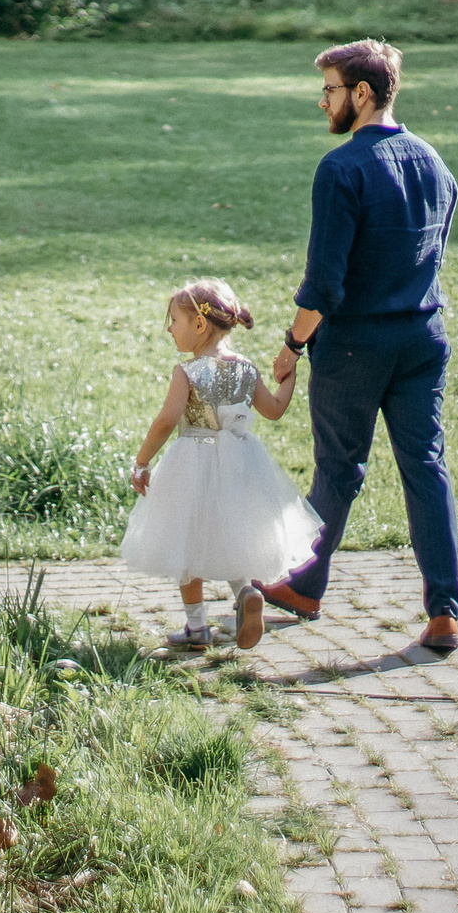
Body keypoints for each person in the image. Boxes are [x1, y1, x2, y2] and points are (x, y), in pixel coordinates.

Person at [255, 39, 458, 654]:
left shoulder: (341, 169)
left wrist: (293, 344)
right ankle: (445, 611)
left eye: (330, 90)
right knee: (425, 465)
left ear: (362, 94)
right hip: (423, 337)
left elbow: (324, 282)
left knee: (339, 468)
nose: (323, 102)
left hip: (354, 346)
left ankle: (306, 584)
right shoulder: (434, 162)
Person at [120, 279, 322, 652]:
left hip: (192, 460)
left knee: (185, 540)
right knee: (233, 532)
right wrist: (289, 377)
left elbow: (167, 420)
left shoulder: (188, 372)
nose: (169, 328)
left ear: (199, 324)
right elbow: (274, 410)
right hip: (241, 462)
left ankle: (197, 629)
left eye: (174, 321)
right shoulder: (246, 368)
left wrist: (142, 461)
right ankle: (246, 592)